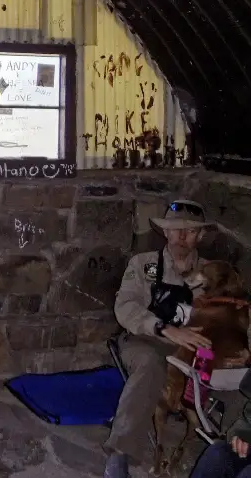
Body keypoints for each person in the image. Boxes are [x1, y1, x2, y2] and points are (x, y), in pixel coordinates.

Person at [104, 200, 217, 478]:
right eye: (176, 229)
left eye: (190, 231)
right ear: (166, 232)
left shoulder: (213, 273)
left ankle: (229, 446)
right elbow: (126, 307)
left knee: (230, 370)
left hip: (192, 346)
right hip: (145, 340)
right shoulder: (143, 264)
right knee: (150, 365)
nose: (181, 236)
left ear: (200, 236)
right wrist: (162, 328)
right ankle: (120, 453)